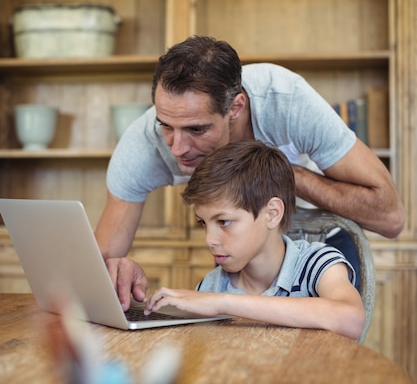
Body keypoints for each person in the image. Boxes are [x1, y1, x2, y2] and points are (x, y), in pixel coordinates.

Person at [94, 35, 405, 309]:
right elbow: (96, 270)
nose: (177, 149)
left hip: (322, 246)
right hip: (239, 252)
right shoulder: (143, 144)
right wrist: (116, 272)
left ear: (236, 108)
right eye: (166, 126)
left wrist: (280, 172)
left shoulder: (286, 100)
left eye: (197, 129)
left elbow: (391, 218)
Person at [145, 140, 365, 340]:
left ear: (271, 213)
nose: (209, 240)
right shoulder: (212, 285)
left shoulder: (318, 263)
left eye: (224, 222)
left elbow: (351, 320)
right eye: (203, 223)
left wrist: (223, 302)